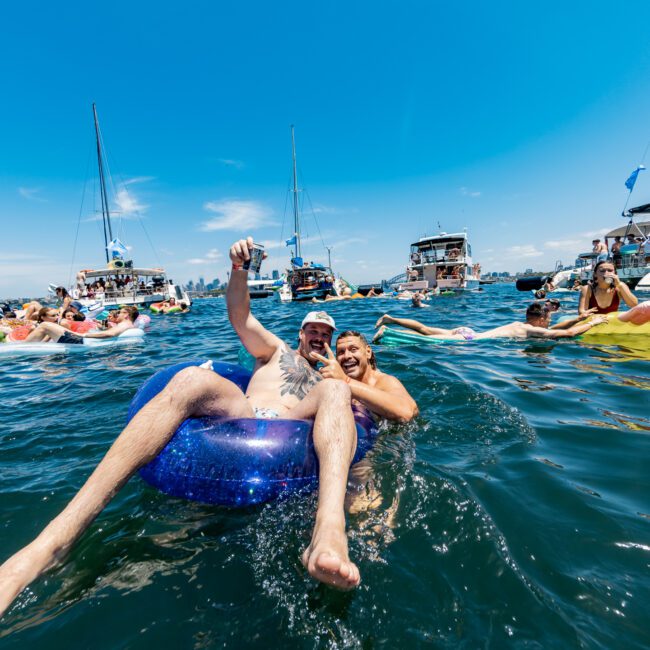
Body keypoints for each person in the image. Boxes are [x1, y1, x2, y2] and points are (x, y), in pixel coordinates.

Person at [0, 237, 408, 615]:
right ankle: (55, 540)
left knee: (336, 395)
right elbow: (240, 314)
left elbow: (376, 426)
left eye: (326, 334)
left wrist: (341, 382)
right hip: (243, 415)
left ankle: (327, 530)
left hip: (295, 425)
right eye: (313, 331)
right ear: (300, 335)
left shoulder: (332, 380)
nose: (319, 338)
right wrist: (238, 270)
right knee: (191, 378)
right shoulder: (277, 350)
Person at [311, 331, 418, 422]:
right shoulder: (335, 382)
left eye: (353, 349)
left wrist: (345, 380)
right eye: (341, 352)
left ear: (368, 352)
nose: (347, 356)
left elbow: (406, 413)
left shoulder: (385, 382)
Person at [373, 302, 609, 342]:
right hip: (466, 340)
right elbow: (565, 335)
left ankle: (390, 319)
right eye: (548, 319)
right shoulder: (530, 330)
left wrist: (579, 318)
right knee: (428, 340)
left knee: (425, 329)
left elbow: (558, 328)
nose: (549, 323)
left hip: (468, 331)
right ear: (539, 319)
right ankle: (387, 332)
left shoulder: (522, 324)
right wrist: (595, 322)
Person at [23, 306, 138, 344]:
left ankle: (23, 347)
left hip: (80, 340)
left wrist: (83, 335)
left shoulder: (125, 324)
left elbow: (111, 333)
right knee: (46, 326)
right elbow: (110, 328)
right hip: (82, 338)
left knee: (45, 325)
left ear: (127, 315)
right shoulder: (124, 324)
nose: (118, 314)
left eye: (120, 312)